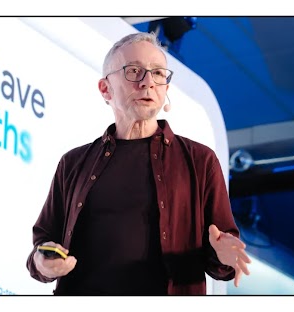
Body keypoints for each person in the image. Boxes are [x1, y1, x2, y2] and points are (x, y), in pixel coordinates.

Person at [26, 32, 251, 295]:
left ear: (166, 87)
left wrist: (224, 255)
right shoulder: (73, 163)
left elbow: (221, 254)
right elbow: (42, 244)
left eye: (158, 74)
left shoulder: (200, 160)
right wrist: (43, 262)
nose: (148, 83)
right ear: (105, 88)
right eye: (134, 71)